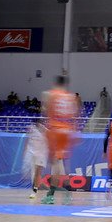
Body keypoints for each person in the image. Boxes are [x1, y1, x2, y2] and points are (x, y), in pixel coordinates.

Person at [42, 75, 79, 204]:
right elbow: (76, 114)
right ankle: (64, 192)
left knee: (56, 164)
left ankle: (52, 194)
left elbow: (45, 111)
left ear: (56, 83)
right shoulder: (70, 97)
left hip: (55, 129)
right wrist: (74, 133)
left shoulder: (51, 94)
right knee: (62, 163)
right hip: (67, 130)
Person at [24, 119, 48, 199]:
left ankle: (35, 190)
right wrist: (25, 151)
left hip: (41, 155)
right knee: (33, 173)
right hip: (32, 154)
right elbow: (27, 140)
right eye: (37, 124)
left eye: (41, 124)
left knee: (38, 172)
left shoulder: (46, 132)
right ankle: (35, 187)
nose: (39, 125)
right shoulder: (32, 130)